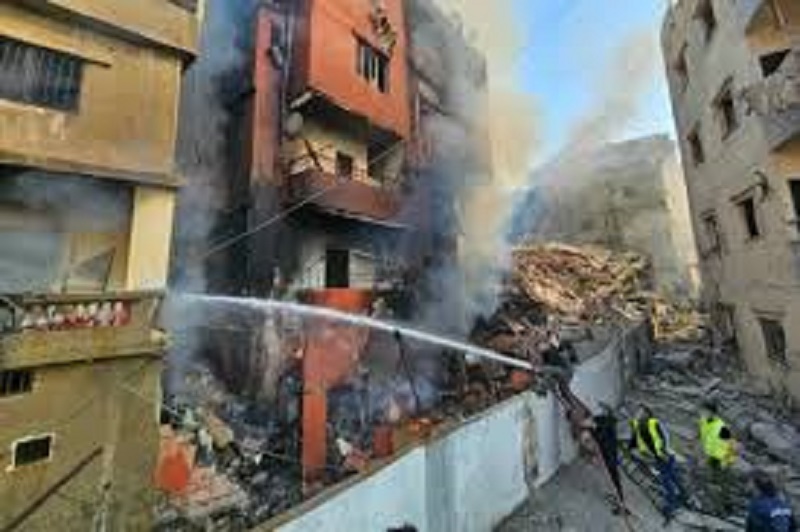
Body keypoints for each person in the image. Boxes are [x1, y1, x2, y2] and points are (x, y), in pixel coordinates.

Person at [629, 405, 686, 523]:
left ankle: (672, 506)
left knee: (666, 480)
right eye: (637, 412)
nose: (637, 414)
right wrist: (637, 453)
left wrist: (663, 452)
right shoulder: (638, 426)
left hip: (664, 457)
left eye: (640, 412)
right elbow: (637, 442)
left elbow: (665, 437)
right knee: (672, 477)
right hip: (656, 458)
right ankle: (683, 497)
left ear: (647, 414)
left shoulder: (654, 423)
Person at [698, 399, 737, 512]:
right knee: (712, 481)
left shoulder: (721, 427)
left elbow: (731, 444)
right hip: (711, 457)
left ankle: (727, 506)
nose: (702, 412)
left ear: (712, 412)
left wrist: (727, 461)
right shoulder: (703, 422)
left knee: (724, 484)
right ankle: (715, 505)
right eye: (702, 410)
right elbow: (704, 437)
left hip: (722, 460)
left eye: (704, 410)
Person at [591, 402, 624, 509]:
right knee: (614, 478)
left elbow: (600, 438)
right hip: (610, 455)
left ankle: (620, 501)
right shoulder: (607, 422)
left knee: (613, 478)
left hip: (609, 456)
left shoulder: (605, 424)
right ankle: (619, 499)